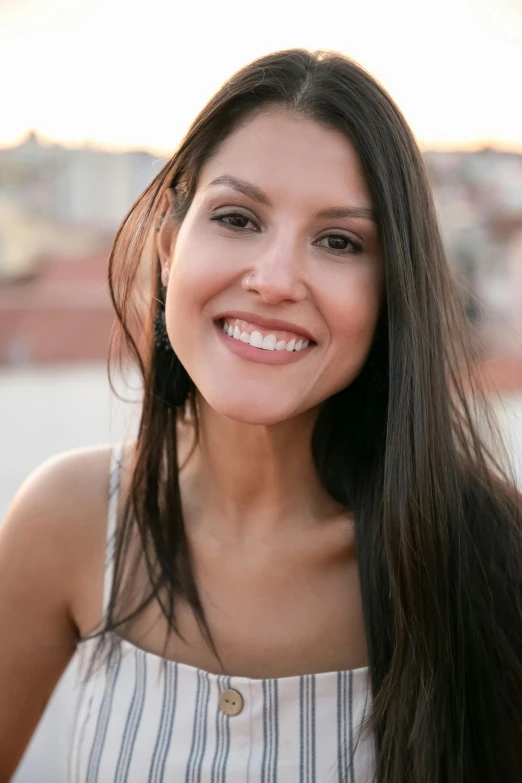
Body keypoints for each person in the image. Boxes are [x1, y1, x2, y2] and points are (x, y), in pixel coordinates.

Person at [0, 48, 521, 783]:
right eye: (238, 218)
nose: (274, 280)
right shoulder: (67, 524)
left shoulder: (491, 556)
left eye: (339, 241)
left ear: (390, 291)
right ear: (169, 243)